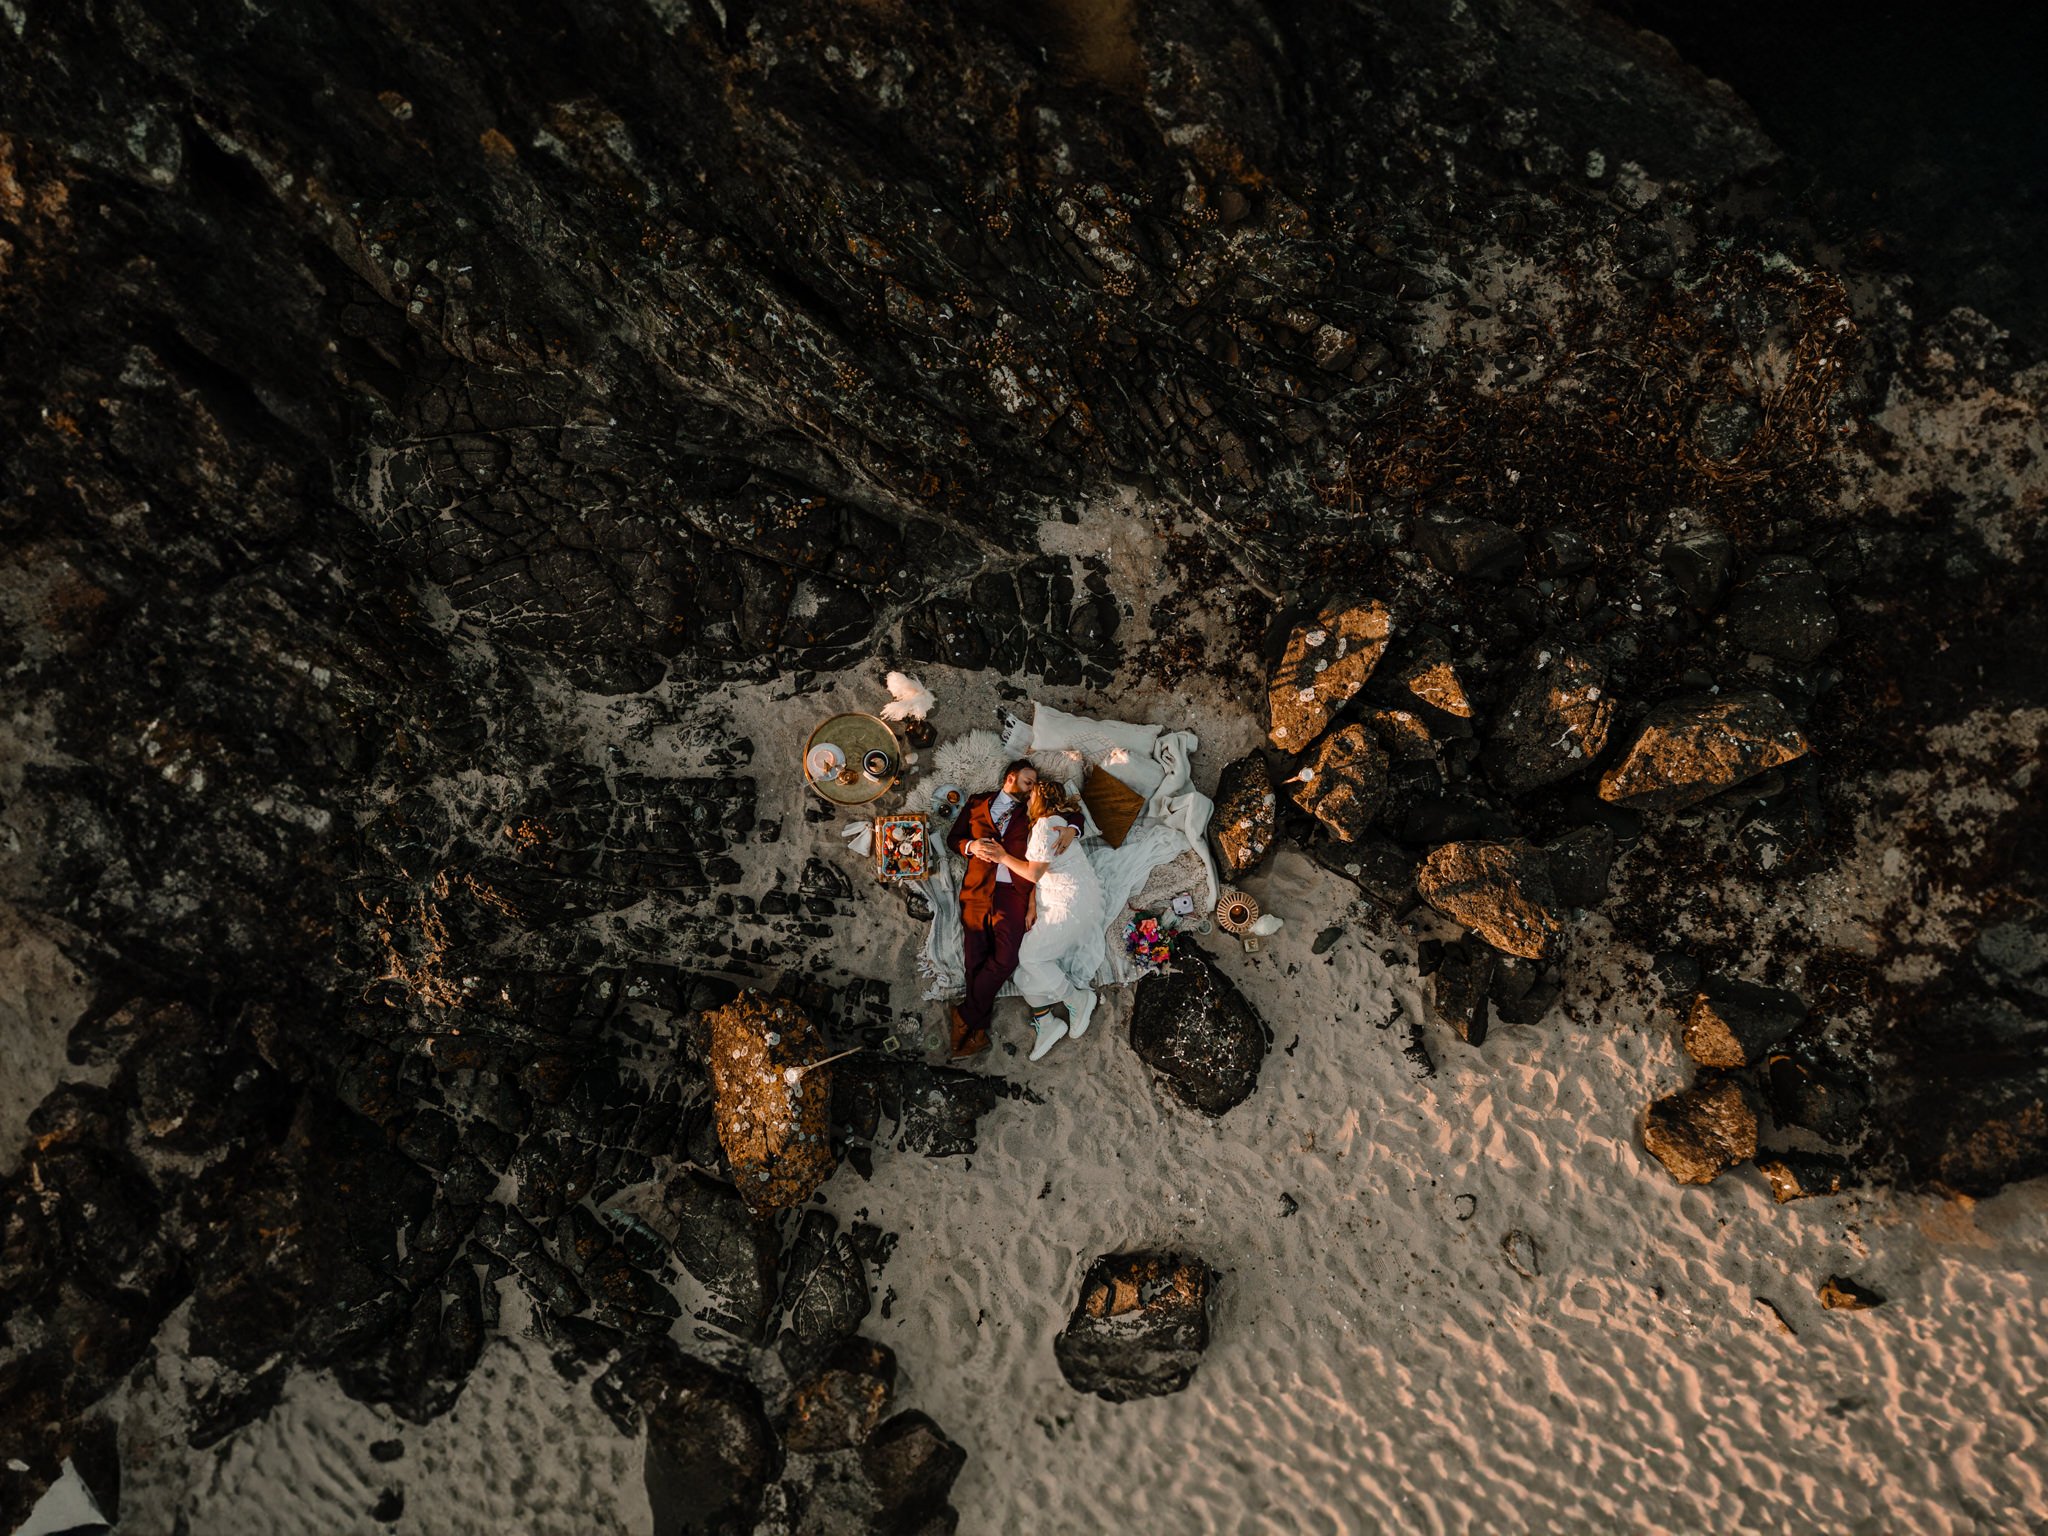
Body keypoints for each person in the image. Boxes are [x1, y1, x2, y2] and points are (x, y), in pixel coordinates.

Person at [979, 779, 1107, 1061]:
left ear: (1042, 798)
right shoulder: (1054, 823)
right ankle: (1047, 1023)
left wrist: (1001, 857)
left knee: (1030, 958)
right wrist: (1033, 903)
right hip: (1078, 900)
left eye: (1031, 795)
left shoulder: (1045, 825)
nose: (1027, 799)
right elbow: (1044, 870)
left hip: (1069, 902)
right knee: (1026, 976)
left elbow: (1035, 873)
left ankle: (1077, 999)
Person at [944, 759, 1038, 1057]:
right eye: (1028, 781)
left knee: (1006, 959)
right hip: (976, 890)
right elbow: (953, 839)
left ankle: (965, 1016)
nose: (1032, 787)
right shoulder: (976, 803)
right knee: (975, 960)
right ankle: (976, 1032)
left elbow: (1073, 814)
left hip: (1011, 891)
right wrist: (971, 847)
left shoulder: (1032, 811)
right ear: (1011, 777)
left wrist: (1070, 829)